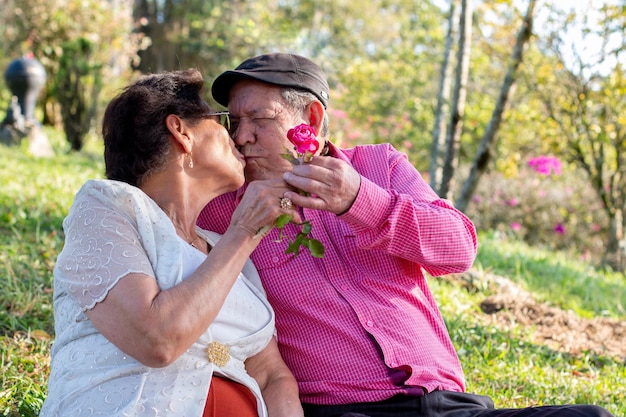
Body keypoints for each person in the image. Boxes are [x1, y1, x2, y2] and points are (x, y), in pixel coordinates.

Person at [197, 53, 614, 417]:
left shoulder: (381, 166)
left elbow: (459, 248)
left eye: (259, 119)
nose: (241, 136)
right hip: (346, 410)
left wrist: (360, 201)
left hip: (449, 404)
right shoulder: (224, 209)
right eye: (235, 121)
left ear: (312, 120)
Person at [40, 69, 304, 417]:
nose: (238, 138)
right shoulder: (107, 209)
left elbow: (272, 376)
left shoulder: (221, 247)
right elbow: (158, 340)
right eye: (223, 122)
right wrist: (244, 231)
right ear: (181, 131)